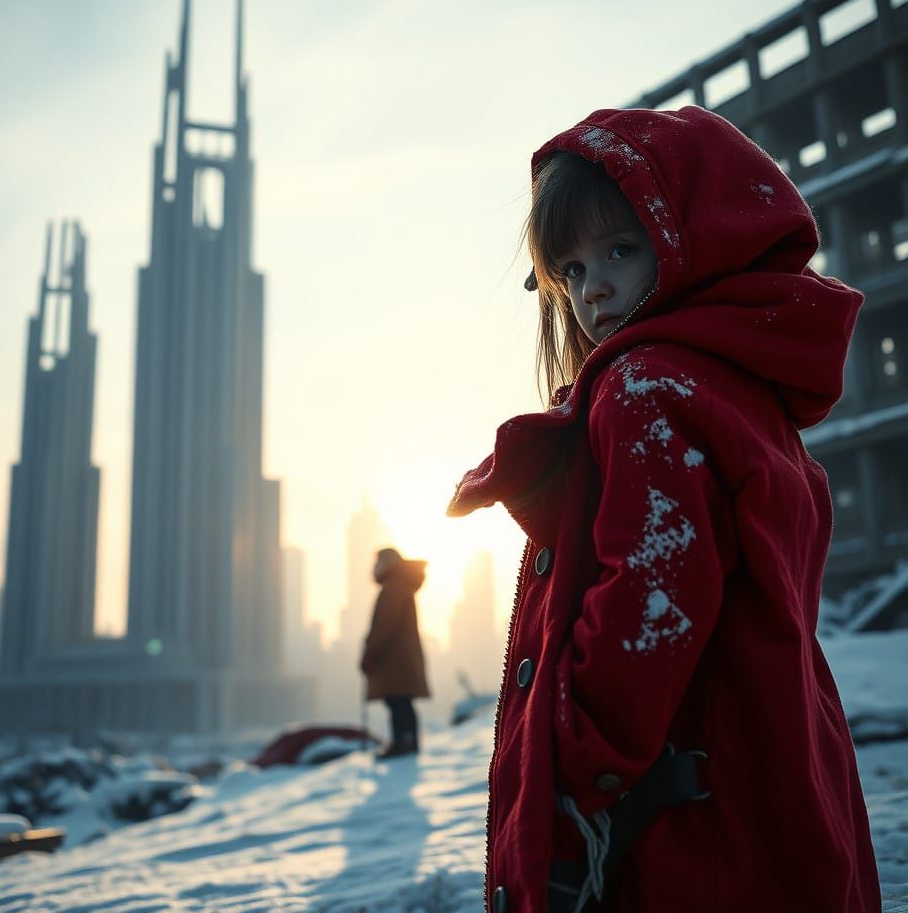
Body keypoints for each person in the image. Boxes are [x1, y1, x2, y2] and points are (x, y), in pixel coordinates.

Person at [447, 107, 881, 912]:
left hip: (685, 819)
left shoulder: (649, 390)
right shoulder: (739, 390)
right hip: (772, 774)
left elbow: (649, 604)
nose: (593, 289)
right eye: (570, 271)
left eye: (619, 249)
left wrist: (573, 774)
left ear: (693, 243)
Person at [360, 547, 430, 758]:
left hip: (394, 658)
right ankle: (408, 741)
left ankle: (403, 742)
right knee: (402, 700)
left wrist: (370, 651)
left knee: (397, 700)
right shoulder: (402, 585)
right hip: (401, 656)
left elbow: (384, 624)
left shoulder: (394, 587)